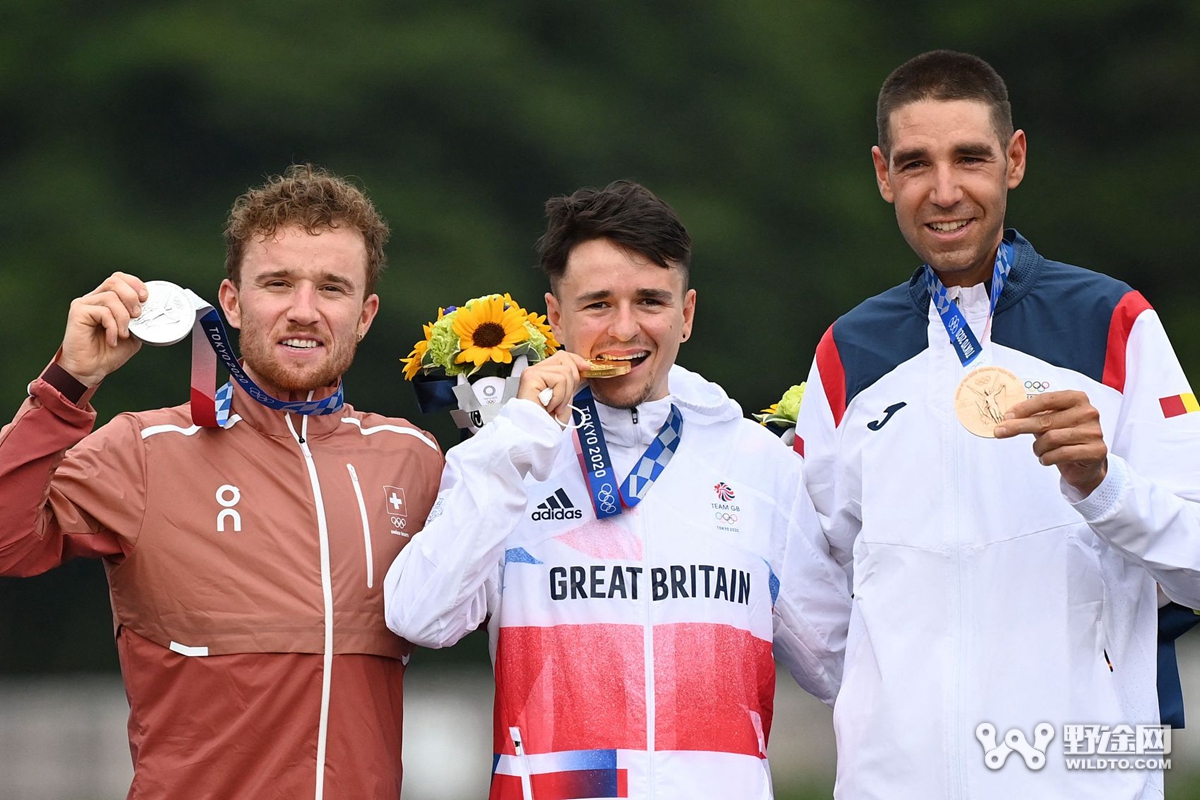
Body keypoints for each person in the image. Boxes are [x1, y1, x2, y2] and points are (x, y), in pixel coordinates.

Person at [794, 50, 1200, 798]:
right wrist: (888, 716)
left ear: (1013, 160)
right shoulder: (847, 352)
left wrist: (1105, 487)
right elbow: (811, 595)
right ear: (884, 174)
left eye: (970, 158)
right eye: (916, 164)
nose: (945, 192)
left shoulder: (1114, 321)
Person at [384, 180, 849, 799]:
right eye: (598, 304)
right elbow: (421, 616)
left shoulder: (759, 465)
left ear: (686, 315)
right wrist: (515, 442)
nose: (625, 330)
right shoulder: (505, 460)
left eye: (650, 302)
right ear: (554, 318)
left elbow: (840, 663)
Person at [0, 164, 444, 799]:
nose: (303, 311)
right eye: (278, 283)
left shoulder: (412, 457)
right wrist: (69, 381)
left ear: (366, 313)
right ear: (231, 302)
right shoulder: (144, 450)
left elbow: (513, 602)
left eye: (332, 288)